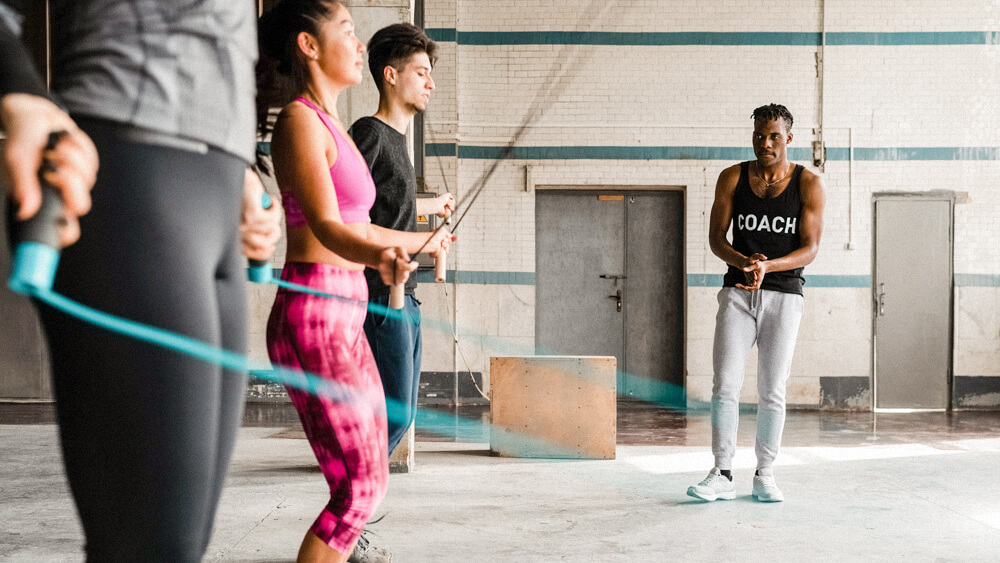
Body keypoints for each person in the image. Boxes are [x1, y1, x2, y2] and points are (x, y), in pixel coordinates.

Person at [0, 0, 282, 560]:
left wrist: (242, 166)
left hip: (219, 185)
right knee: (150, 549)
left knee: (181, 543)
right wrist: (20, 88)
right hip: (127, 169)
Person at [256, 2, 452, 561]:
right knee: (358, 489)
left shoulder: (331, 124)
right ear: (308, 45)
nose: (359, 41)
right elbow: (329, 227)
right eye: (346, 29)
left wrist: (387, 258)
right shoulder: (298, 120)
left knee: (369, 482)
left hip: (345, 307)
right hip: (314, 314)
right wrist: (414, 242)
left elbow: (360, 228)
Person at [346, 22, 451, 563]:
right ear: (391, 76)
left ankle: (350, 518)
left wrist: (432, 210)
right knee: (386, 419)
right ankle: (346, 522)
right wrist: (424, 239)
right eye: (421, 73)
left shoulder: (399, 145)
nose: (431, 84)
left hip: (403, 294)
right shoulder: (369, 132)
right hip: (378, 296)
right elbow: (353, 218)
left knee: (399, 417)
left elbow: (389, 205)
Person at [687, 104, 824, 503]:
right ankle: (722, 473)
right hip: (737, 294)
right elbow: (716, 239)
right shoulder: (732, 177)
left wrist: (770, 266)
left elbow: (811, 249)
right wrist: (743, 262)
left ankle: (765, 473)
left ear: (788, 139)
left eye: (774, 136)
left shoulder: (809, 183)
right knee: (725, 385)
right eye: (759, 136)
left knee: (772, 389)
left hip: (784, 296)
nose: (766, 143)